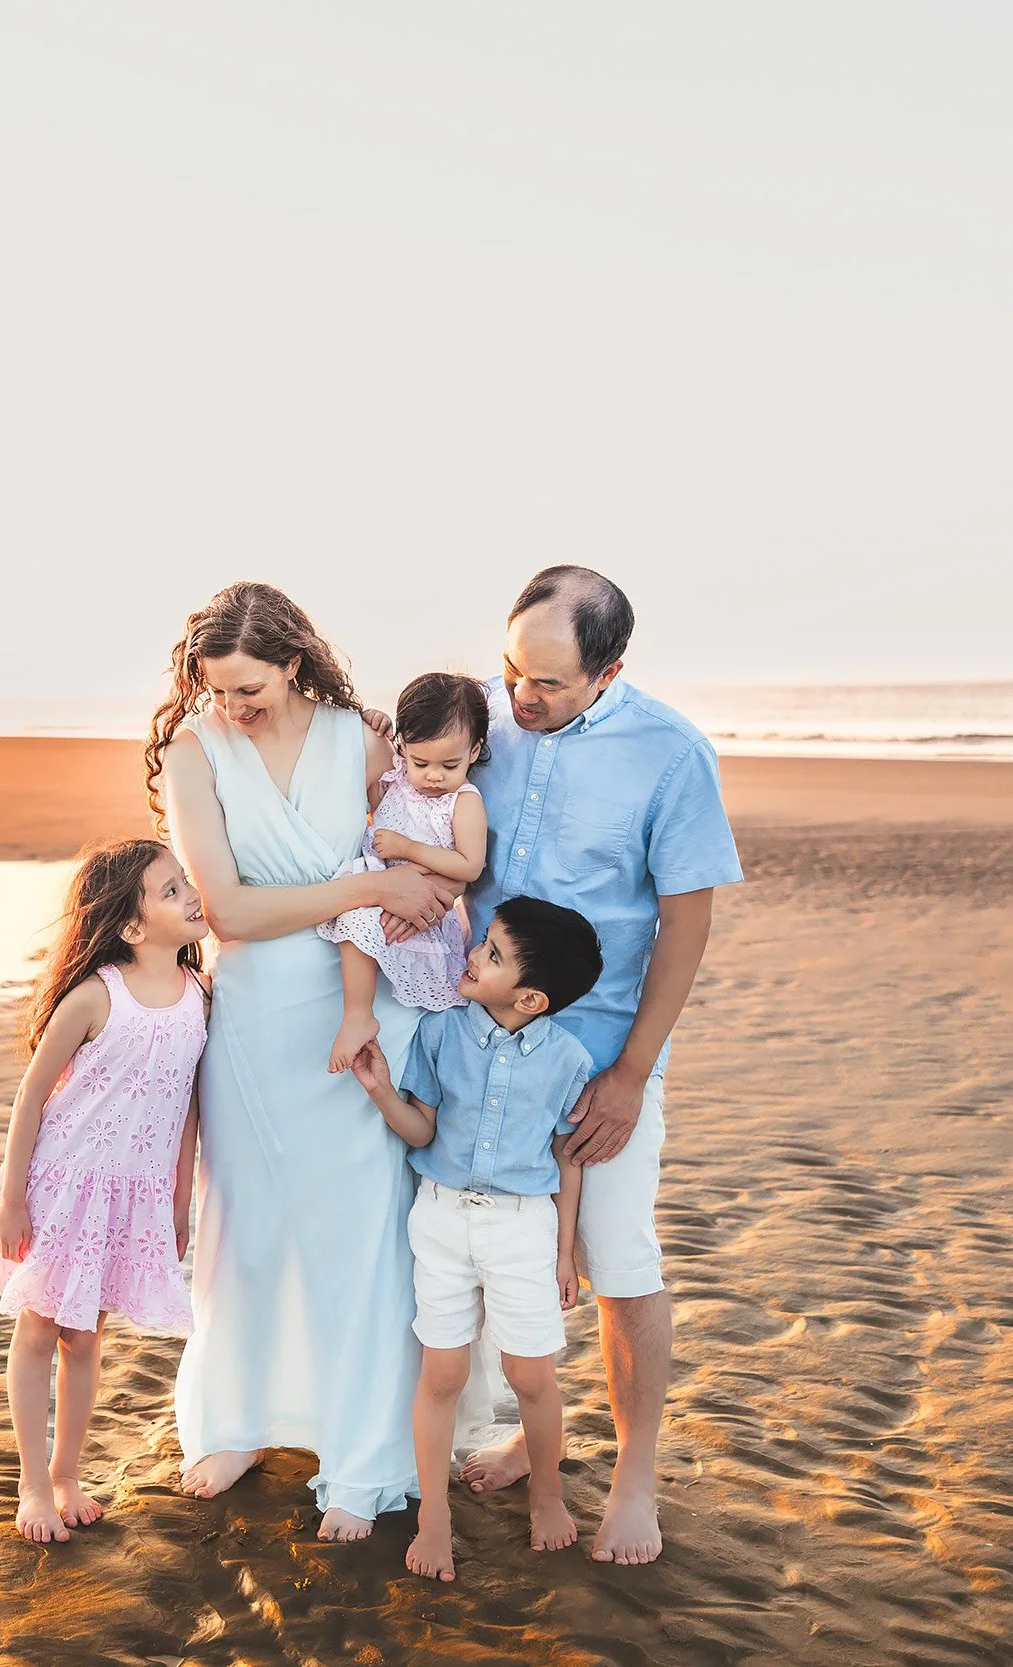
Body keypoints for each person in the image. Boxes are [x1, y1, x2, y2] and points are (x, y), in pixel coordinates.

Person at [151, 582, 459, 1541]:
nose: (231, 706)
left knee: (361, 1229)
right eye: (216, 688)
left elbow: (428, 863)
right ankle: (236, 1421)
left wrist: (388, 894)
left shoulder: (365, 743)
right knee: (244, 1219)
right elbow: (229, 910)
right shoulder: (193, 751)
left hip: (357, 1005)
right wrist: (364, 882)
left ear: (292, 663)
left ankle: (361, 1449)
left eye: (247, 688)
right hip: (251, 1015)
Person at [455, 566, 743, 1566]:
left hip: (598, 1047)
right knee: (499, 1244)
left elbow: (687, 918)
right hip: (478, 1039)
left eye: (548, 683)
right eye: (511, 670)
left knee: (615, 1257)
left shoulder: (671, 753)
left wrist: (629, 1073)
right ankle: (533, 1431)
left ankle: (633, 1477)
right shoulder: (481, 716)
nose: (519, 699)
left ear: (610, 668)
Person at [0, 838, 211, 1543]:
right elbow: (32, 1095)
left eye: (184, 881)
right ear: (131, 927)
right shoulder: (97, 993)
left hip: (132, 1193)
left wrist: (178, 1193)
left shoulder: (199, 994)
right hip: (63, 1183)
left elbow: (189, 1101)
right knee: (41, 1324)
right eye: (170, 890)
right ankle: (33, 1483)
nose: (191, 893)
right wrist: (13, 1196)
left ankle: (68, 1472)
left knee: (88, 1333)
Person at [350, 898, 605, 1582]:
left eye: (491, 953)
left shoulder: (569, 1060)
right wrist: (380, 1092)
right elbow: (424, 1131)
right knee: (443, 1373)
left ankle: (545, 1493)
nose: (473, 954)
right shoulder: (441, 1035)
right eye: (484, 942)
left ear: (531, 996)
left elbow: (568, 1158)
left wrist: (564, 1251)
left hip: (524, 1226)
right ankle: (435, 1514)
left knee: (530, 1373)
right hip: (438, 1219)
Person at [320, 672, 491, 1072]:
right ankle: (357, 1011)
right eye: (420, 762)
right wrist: (372, 724)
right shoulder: (398, 777)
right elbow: (373, 796)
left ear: (474, 750)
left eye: (450, 764)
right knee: (356, 913)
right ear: (403, 747)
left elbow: (471, 864)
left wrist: (408, 849)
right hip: (381, 887)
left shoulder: (463, 802)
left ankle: (360, 1018)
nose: (433, 776)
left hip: (423, 913)